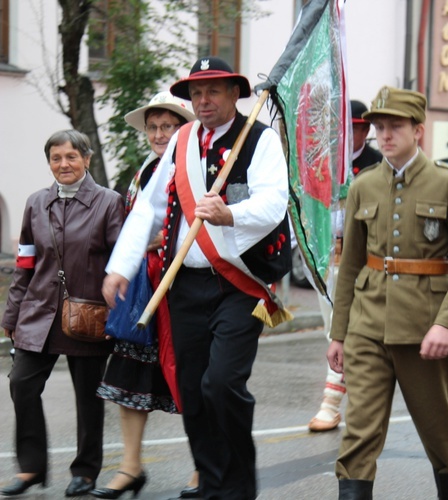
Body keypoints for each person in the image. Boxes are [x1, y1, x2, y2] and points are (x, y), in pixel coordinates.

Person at [102, 56, 290, 499]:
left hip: (241, 286)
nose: (203, 101)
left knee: (222, 382)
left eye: (213, 91)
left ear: (234, 95)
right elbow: (147, 208)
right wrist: (120, 266)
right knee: (191, 387)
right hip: (184, 284)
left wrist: (230, 214)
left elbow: (273, 203)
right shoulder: (182, 141)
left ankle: (239, 487)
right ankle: (210, 484)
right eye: (196, 93)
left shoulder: (260, 140)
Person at [326, 86, 448, 499]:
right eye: (379, 126)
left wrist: (447, 325)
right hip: (367, 324)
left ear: (418, 129)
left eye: (394, 126)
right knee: (359, 432)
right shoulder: (363, 186)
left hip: (423, 329)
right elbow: (350, 266)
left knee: (440, 431)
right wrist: (339, 332)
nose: (384, 134)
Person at [1, 130, 125, 497]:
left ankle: (85, 471)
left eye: (71, 156)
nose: (63, 164)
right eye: (56, 158)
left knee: (88, 395)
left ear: (86, 159)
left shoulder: (109, 202)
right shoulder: (36, 203)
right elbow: (25, 261)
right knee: (21, 383)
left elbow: (121, 259)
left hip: (87, 314)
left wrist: (117, 312)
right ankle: (31, 468)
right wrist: (11, 314)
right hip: (38, 310)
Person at [90, 92, 199, 499]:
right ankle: (131, 467)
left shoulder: (195, 166)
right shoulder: (145, 171)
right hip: (142, 290)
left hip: (182, 288)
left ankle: (201, 467)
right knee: (129, 375)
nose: (157, 134)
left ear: (182, 130)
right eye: (152, 127)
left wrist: (163, 239)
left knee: (190, 379)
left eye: (166, 127)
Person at [308, 100, 382, 432]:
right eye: (341, 128)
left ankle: (331, 403)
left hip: (362, 262)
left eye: (354, 128)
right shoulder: (322, 164)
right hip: (327, 260)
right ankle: (354, 395)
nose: (345, 134)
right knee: (333, 332)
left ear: (365, 131)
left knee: (347, 331)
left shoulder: (378, 166)